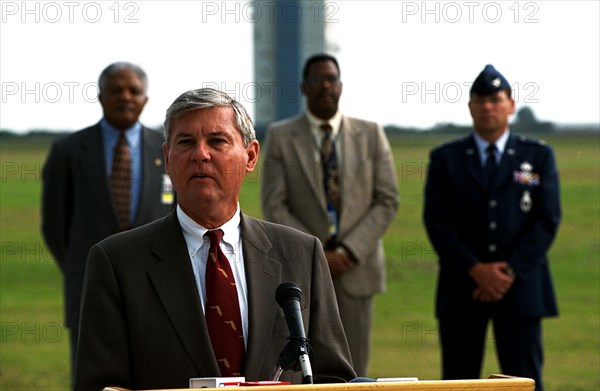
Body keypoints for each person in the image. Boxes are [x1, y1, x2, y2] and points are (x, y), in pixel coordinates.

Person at [73, 88, 356, 390]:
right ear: (167, 159)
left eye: (217, 141)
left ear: (250, 156)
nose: (201, 154)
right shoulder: (118, 261)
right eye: (186, 142)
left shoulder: (301, 254)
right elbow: (99, 384)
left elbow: (334, 378)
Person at [260, 53, 399, 376]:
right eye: (317, 80)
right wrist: (317, 252)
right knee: (304, 368)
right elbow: (275, 204)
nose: (326, 86)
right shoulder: (282, 136)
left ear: (341, 86)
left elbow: (387, 199)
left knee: (354, 372)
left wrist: (350, 250)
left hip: (356, 272)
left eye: (331, 79)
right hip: (303, 272)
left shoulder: (371, 133)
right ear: (304, 88)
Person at [423, 64, 560, 391]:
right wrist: (476, 269)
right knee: (458, 382)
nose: (488, 107)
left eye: (496, 99)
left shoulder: (537, 156)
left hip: (521, 287)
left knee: (525, 380)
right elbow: (437, 222)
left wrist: (507, 272)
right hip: (463, 287)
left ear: (511, 105)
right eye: (480, 100)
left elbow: (547, 219)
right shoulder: (446, 158)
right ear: (470, 106)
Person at [41, 61, 174, 378]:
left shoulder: (169, 149)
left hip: (159, 286)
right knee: (93, 377)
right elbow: (55, 225)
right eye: (115, 90)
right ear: (100, 97)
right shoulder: (68, 150)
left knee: (158, 376)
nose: (125, 97)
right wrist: (84, 266)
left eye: (134, 90)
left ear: (146, 99)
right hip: (89, 287)